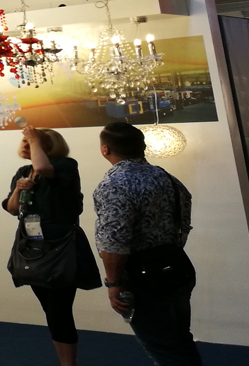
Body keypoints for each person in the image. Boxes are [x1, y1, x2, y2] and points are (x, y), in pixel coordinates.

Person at [92, 123, 199, 366]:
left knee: (163, 348)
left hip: (143, 279)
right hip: (177, 269)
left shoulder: (115, 184)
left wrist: (114, 283)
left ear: (105, 149)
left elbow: (114, 241)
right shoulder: (168, 178)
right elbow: (183, 224)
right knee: (180, 339)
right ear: (143, 147)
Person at [2, 126, 101, 366]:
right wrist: (19, 189)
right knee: (50, 309)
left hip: (59, 246)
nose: (25, 146)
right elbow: (12, 209)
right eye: (25, 142)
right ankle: (67, 360)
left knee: (59, 311)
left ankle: (69, 363)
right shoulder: (23, 172)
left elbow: (45, 169)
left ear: (47, 147)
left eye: (31, 143)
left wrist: (34, 137)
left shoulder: (65, 166)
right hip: (32, 246)